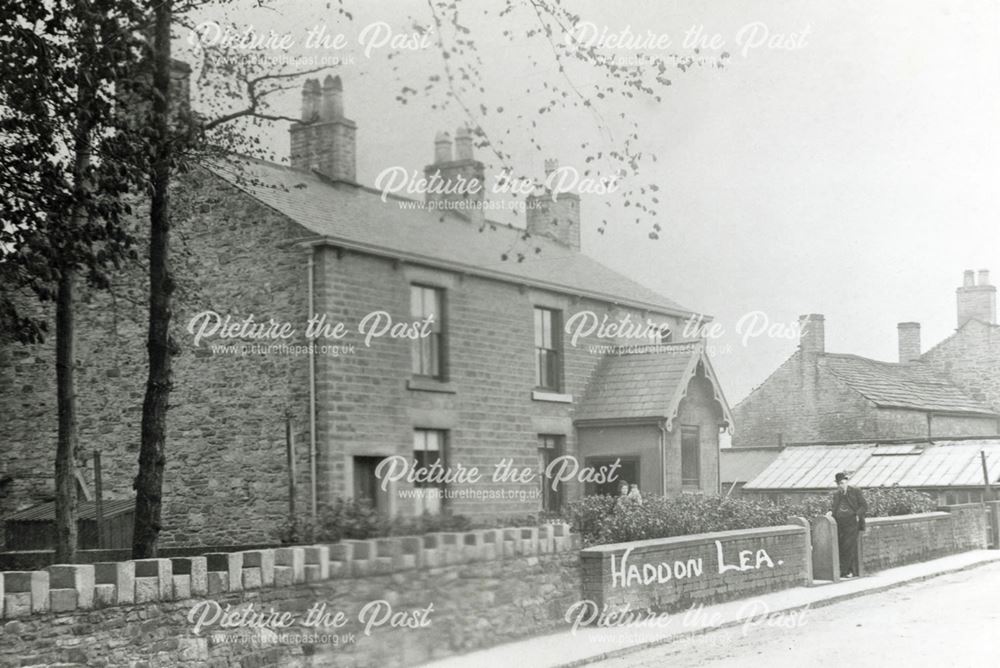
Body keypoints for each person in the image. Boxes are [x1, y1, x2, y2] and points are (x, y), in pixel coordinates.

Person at [830, 471, 867, 578]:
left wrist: (857, 515)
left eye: (842, 483)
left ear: (846, 482)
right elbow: (835, 508)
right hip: (840, 523)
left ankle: (846, 571)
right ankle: (847, 570)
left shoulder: (855, 491)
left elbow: (864, 506)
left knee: (848, 546)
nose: (840, 486)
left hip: (852, 522)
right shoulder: (837, 495)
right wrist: (831, 513)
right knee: (841, 546)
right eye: (838, 484)